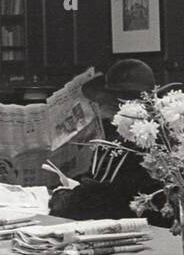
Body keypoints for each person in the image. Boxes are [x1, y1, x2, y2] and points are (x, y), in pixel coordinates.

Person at [48, 59, 173, 226]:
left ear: (117, 104)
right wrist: (66, 185)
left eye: (101, 100)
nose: (97, 105)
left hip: (141, 227)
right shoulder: (116, 134)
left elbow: (100, 199)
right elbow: (96, 177)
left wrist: (61, 195)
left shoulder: (143, 141)